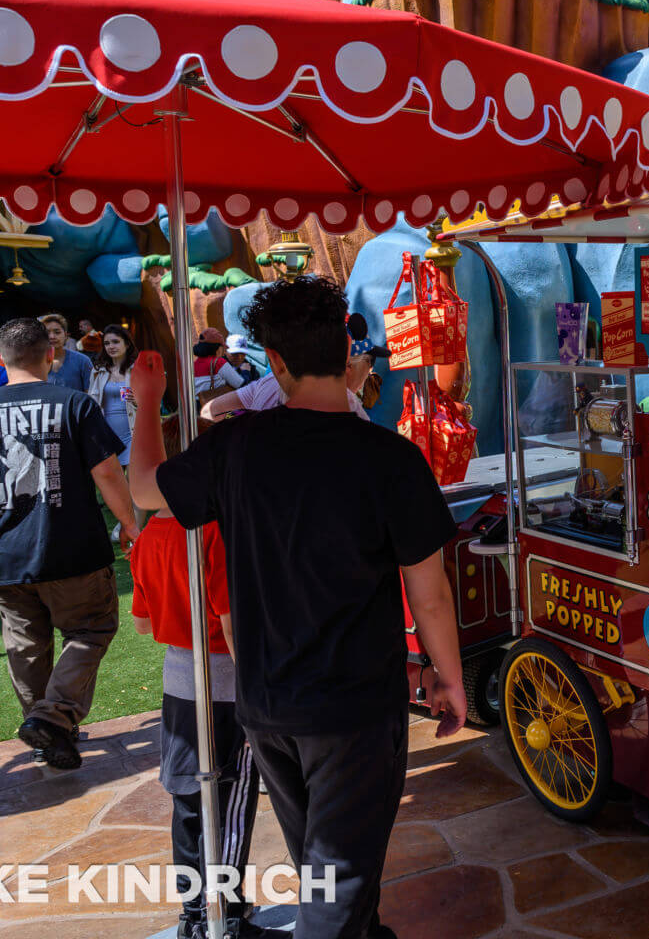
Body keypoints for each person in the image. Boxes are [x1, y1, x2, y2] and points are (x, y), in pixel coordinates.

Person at [127, 276, 466, 939]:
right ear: (348, 352)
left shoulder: (234, 448)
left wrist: (146, 404)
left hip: (266, 705)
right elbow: (430, 592)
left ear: (275, 362)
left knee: (327, 870)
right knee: (336, 880)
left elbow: (143, 489)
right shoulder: (390, 459)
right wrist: (447, 678)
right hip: (353, 707)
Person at [0, 317, 138, 769]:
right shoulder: (73, 404)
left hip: (6, 553)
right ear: (50, 355)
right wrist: (130, 523)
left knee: (26, 649)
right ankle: (52, 721)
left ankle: (49, 731)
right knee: (90, 629)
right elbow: (108, 471)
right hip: (72, 550)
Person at [130, 414, 264, 939]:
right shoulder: (214, 530)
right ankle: (224, 918)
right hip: (228, 683)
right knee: (230, 800)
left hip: (177, 683)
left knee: (189, 801)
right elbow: (232, 625)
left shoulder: (146, 539)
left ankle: (194, 914)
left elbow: (142, 623)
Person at [200, 352, 371, 422]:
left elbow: (209, 412)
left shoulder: (268, 382)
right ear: (347, 366)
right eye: (368, 369)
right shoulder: (350, 411)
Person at [89, 324, 138, 466]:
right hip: (107, 432)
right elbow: (93, 401)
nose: (111, 346)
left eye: (116, 342)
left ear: (127, 344)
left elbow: (153, 403)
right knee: (115, 481)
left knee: (132, 479)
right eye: (107, 343)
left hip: (132, 430)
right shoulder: (98, 371)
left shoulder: (137, 369)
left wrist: (138, 401)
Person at [39, 313, 93, 392]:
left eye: (57, 332)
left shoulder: (82, 361)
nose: (52, 337)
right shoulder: (35, 363)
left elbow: (90, 394)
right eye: (47, 333)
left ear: (66, 335)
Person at [193, 328, 244, 398]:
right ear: (217, 348)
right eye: (222, 347)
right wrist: (246, 371)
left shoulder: (193, 365)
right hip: (214, 405)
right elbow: (239, 384)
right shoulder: (218, 363)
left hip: (196, 406)